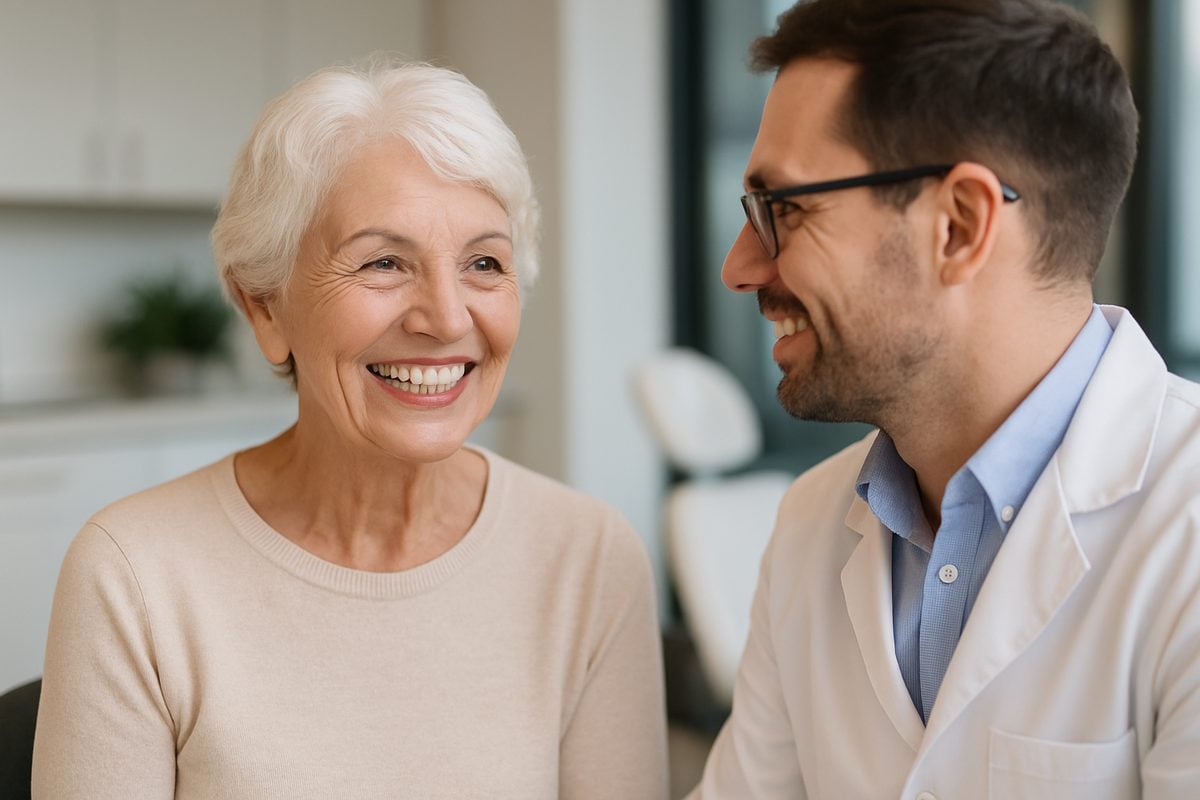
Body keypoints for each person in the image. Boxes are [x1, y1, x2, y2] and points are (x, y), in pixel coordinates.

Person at [32, 61, 668, 800]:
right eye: (384, 262)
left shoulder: (589, 559)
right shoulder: (134, 574)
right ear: (265, 307)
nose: (448, 317)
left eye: (483, 263)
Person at [689, 1, 1200, 798]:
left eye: (782, 209)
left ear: (959, 225)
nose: (741, 265)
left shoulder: (1186, 528)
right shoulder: (808, 527)